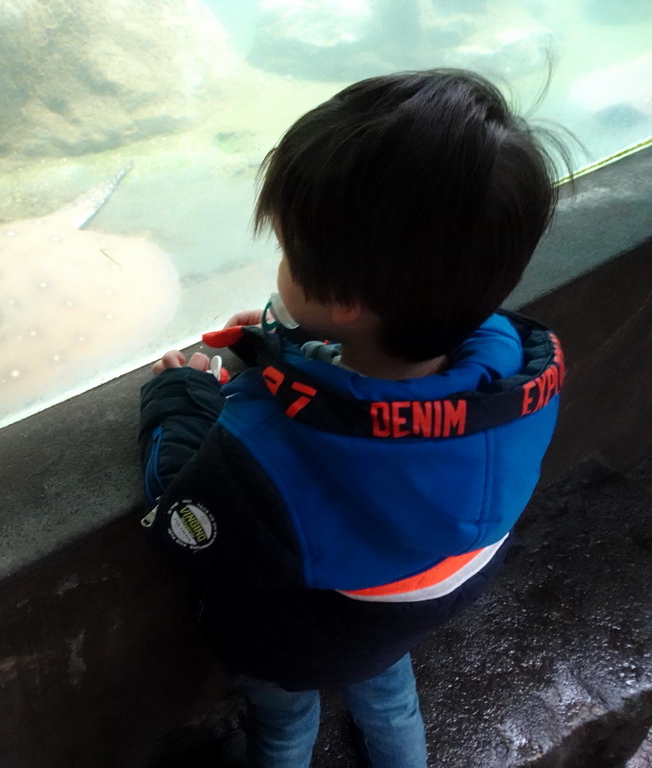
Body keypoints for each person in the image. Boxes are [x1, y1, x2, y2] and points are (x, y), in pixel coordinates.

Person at [138, 69, 570, 768]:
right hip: (406, 610)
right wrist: (287, 353)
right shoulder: (519, 374)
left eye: (288, 253)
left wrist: (178, 400)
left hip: (303, 634)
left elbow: (180, 516)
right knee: (390, 695)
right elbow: (385, 401)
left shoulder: (268, 449)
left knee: (283, 726)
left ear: (344, 303)